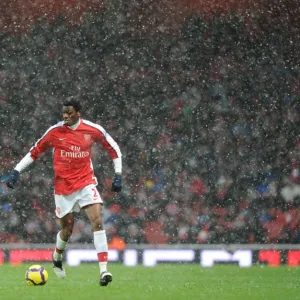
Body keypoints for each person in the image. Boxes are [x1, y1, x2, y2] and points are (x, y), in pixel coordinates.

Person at [6, 99, 122, 286]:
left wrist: (118, 174)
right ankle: (57, 255)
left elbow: (114, 148)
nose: (66, 116)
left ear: (78, 112)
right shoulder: (55, 132)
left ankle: (104, 271)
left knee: (98, 221)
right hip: (63, 188)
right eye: (64, 113)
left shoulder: (92, 130)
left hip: (85, 183)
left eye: (69, 113)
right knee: (67, 230)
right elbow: (34, 151)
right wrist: (16, 171)